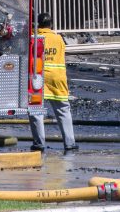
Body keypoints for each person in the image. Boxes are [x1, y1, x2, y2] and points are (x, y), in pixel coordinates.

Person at [28, 12, 78, 153]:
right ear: (51, 25)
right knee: (63, 110)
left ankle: (39, 144)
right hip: (57, 78)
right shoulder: (58, 39)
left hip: (38, 77)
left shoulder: (33, 37)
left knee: (36, 111)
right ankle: (70, 143)